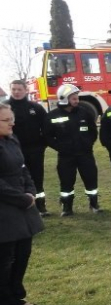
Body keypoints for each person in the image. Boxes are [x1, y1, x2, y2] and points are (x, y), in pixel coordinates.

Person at [0, 103, 44, 305]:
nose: (12, 123)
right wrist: (21, 198)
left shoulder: (12, 139)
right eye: (6, 120)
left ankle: (15, 297)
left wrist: (31, 191)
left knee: (22, 253)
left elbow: (23, 169)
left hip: (22, 205)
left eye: (12, 119)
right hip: (5, 208)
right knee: (4, 259)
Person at [43, 84, 101, 216]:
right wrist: (60, 147)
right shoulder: (52, 116)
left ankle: (94, 204)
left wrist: (88, 144)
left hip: (85, 154)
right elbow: (48, 136)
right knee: (66, 181)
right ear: (64, 98)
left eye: (77, 98)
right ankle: (67, 207)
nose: (77, 101)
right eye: (74, 98)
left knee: (91, 178)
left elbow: (93, 131)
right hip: (66, 156)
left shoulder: (84, 113)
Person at [4, 80, 49, 217]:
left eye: (19, 89)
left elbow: (46, 128)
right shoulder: (5, 107)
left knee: (36, 178)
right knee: (15, 179)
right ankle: (18, 206)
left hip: (35, 150)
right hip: (11, 151)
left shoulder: (36, 108)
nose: (16, 92)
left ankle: (40, 206)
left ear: (26, 90)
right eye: (14, 89)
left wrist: (42, 145)